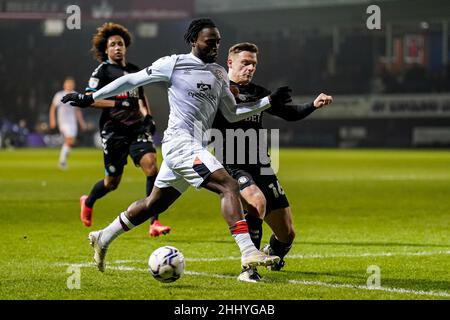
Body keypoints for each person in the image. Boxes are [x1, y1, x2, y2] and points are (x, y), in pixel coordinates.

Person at [62, 18, 292, 273]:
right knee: (228, 185)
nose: (215, 46)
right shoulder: (173, 64)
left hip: (193, 147)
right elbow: (132, 81)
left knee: (154, 204)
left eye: (218, 42)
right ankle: (248, 251)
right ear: (194, 40)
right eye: (210, 41)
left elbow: (233, 112)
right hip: (180, 143)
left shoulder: (218, 73)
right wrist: (90, 97)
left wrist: (268, 101)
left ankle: (103, 236)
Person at [212, 42, 333, 282]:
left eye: (253, 64)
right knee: (256, 202)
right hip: (233, 164)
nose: (250, 68)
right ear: (230, 63)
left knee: (287, 234)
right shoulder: (218, 90)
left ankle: (272, 254)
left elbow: (290, 113)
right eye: (245, 63)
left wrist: (313, 105)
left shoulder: (258, 92)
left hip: (262, 165)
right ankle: (249, 269)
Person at [78, 22, 170, 237]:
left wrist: (147, 115)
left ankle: (154, 222)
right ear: (106, 50)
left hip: (136, 128)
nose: (117, 47)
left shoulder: (135, 70)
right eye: (113, 44)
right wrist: (118, 104)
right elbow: (89, 100)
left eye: (120, 44)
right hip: (113, 131)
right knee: (112, 183)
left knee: (152, 168)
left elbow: (140, 95)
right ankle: (89, 200)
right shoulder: (102, 71)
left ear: (125, 47)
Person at [49, 77, 87, 170]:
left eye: (71, 84)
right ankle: (62, 161)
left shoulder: (76, 95)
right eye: (68, 83)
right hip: (63, 121)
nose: (69, 85)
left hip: (72, 122)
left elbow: (77, 110)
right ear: (64, 85)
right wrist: (52, 120)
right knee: (69, 140)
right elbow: (53, 108)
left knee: (70, 142)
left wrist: (82, 123)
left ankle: (63, 159)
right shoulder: (59, 95)